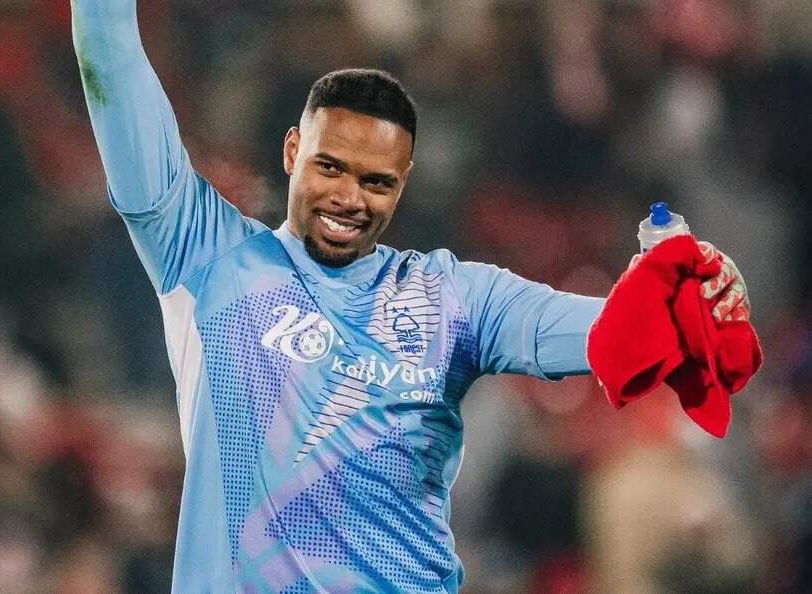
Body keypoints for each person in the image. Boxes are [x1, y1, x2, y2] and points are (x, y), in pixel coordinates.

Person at [71, 1, 748, 592]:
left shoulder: (453, 296)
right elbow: (109, 54)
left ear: (402, 183)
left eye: (377, 181)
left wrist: (689, 302)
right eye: (330, 167)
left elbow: (606, 332)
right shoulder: (208, 256)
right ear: (292, 152)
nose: (349, 198)